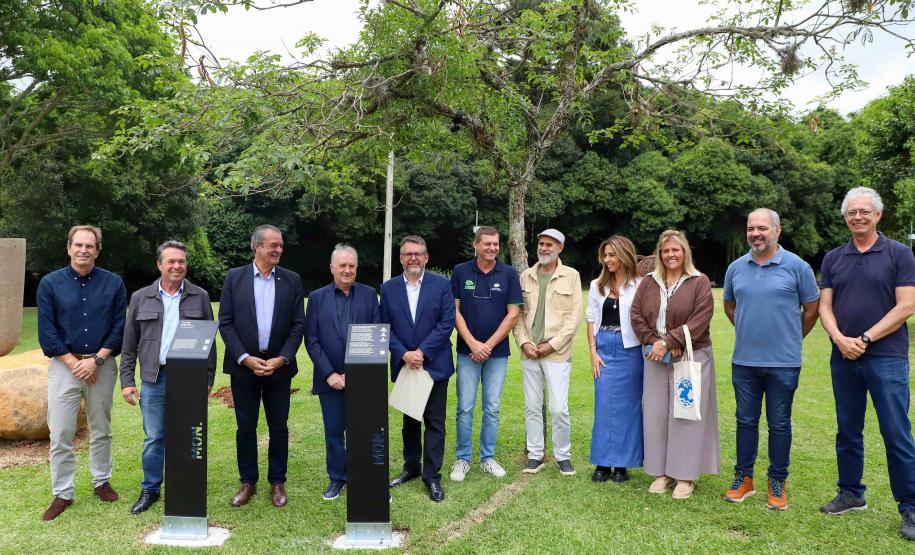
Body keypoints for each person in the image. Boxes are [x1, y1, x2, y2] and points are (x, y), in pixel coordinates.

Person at [817, 187, 915, 541]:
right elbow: (824, 306)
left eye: (864, 212)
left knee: (896, 433)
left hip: (885, 357)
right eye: (851, 213)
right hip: (843, 356)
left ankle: (910, 507)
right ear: (845, 218)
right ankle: (851, 493)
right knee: (847, 430)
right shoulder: (833, 258)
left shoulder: (899, 254)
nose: (857, 217)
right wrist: (840, 340)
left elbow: (906, 305)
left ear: (878, 215)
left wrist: (865, 338)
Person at [722, 209, 819, 510]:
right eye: (751, 228)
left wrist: (790, 338)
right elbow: (729, 305)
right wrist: (749, 331)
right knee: (745, 421)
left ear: (778, 231)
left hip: (784, 363)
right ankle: (744, 478)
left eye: (762, 228)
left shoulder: (797, 266)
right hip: (745, 362)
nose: (755, 233)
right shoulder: (736, 268)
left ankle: (777, 481)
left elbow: (812, 309)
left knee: (779, 424)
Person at [119, 240, 217, 515]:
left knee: (190, 436)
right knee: (154, 437)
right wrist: (127, 381)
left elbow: (209, 341)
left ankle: (187, 484)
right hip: (154, 378)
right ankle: (150, 488)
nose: (177, 266)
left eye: (181, 261)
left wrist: (208, 379)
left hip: (190, 377)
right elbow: (129, 344)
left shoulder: (200, 296)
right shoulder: (140, 298)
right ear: (159, 264)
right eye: (171, 261)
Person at [37, 225, 127, 521]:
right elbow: (47, 330)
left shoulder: (114, 284)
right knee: (61, 432)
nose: (83, 250)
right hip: (64, 366)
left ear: (97, 250)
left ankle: (101, 481)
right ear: (69, 248)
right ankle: (63, 492)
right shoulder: (50, 284)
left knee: (101, 428)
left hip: (101, 365)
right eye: (78, 245)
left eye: (89, 246)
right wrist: (74, 362)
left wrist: (96, 361)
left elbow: (119, 327)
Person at [218, 224, 305, 508]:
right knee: (245, 426)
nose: (279, 249)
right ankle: (248, 482)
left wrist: (283, 358)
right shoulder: (235, 278)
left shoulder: (292, 280)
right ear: (257, 247)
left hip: (279, 368)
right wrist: (245, 357)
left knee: (279, 426)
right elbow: (226, 323)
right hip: (244, 367)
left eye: (280, 245)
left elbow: (297, 325)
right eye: (273, 245)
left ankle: (277, 482)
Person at [630, 229, 719, 500]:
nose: (670, 255)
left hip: (691, 357)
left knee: (685, 413)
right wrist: (656, 343)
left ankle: (684, 476)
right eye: (666, 250)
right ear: (660, 253)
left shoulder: (699, 281)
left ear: (685, 252)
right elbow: (636, 315)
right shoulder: (648, 281)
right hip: (655, 357)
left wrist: (668, 341)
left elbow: (700, 319)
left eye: (675, 250)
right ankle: (662, 472)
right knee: (656, 414)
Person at [381, 235, 455, 502]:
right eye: (408, 254)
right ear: (401, 258)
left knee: (434, 422)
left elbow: (447, 322)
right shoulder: (388, 289)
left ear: (426, 257)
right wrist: (404, 354)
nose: (413, 258)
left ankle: (432, 476)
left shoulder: (442, 285)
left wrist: (422, 352)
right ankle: (411, 467)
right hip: (405, 365)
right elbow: (384, 326)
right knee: (409, 420)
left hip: (434, 364)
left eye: (418, 253)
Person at [304, 244, 381, 501]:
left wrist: (356, 374)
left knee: (363, 431)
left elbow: (376, 335)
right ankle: (338, 478)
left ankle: (364, 476)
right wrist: (330, 374)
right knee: (334, 431)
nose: (347, 270)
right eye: (343, 266)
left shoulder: (370, 295)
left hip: (363, 378)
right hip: (329, 380)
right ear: (332, 268)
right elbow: (312, 340)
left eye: (351, 266)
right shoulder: (316, 298)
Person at [449, 226, 522, 482]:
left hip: (497, 353)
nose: (493, 248)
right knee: (465, 408)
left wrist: (487, 345)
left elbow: (513, 314)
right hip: (467, 352)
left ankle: (487, 458)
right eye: (487, 244)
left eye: (496, 244)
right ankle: (463, 459)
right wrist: (472, 343)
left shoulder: (510, 273)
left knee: (491, 407)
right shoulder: (460, 271)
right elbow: (454, 311)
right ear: (475, 245)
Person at [513, 229, 582, 476]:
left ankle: (563, 456)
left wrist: (551, 345)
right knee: (532, 406)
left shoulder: (571, 276)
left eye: (549, 244)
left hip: (556, 353)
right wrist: (524, 343)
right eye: (541, 243)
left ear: (560, 248)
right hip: (530, 352)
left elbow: (574, 318)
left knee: (558, 408)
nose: (544, 248)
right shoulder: (525, 276)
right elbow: (517, 315)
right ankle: (535, 455)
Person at [586, 235, 643, 484]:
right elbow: (591, 320)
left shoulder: (641, 285)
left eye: (612, 255)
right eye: (605, 255)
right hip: (604, 348)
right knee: (604, 405)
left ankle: (622, 464)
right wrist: (593, 353)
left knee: (629, 408)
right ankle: (602, 462)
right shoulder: (597, 285)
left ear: (624, 255)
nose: (607, 260)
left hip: (631, 349)